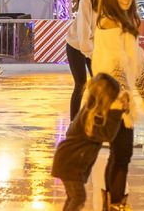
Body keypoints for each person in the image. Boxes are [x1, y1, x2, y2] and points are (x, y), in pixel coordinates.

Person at [91, 0, 144, 211]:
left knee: (120, 154)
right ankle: (114, 204)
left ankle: (111, 201)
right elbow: (112, 60)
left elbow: (133, 57)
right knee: (121, 154)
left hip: (118, 94)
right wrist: (122, 91)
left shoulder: (124, 19)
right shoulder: (109, 22)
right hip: (112, 97)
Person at [51, 73, 128, 211]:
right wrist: (117, 112)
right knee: (78, 197)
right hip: (70, 162)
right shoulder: (92, 115)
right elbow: (107, 135)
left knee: (73, 197)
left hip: (67, 160)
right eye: (112, 98)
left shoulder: (90, 110)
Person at [67, 0, 112, 119]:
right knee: (81, 84)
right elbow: (83, 34)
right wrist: (93, 56)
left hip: (93, 47)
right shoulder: (86, 0)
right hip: (76, 46)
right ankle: (74, 125)